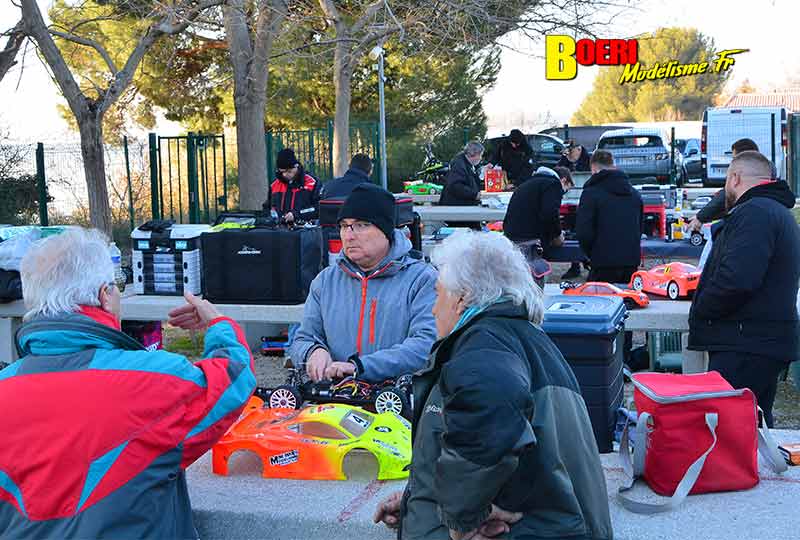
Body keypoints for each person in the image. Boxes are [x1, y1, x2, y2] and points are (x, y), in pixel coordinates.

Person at [0, 228, 255, 538]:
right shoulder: (155, 382)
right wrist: (218, 323)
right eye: (118, 286)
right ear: (104, 296)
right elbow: (234, 376)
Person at [373, 231, 613, 540]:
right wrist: (418, 498)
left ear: (463, 297)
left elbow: (490, 416)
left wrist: (461, 517)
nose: (433, 309)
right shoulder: (518, 340)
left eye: (438, 293)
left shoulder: (485, 343)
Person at [688, 151, 800, 427]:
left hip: (744, 344)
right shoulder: (774, 212)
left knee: (729, 430)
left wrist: (702, 308)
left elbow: (737, 280)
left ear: (735, 178)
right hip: (758, 340)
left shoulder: (754, 213)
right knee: (752, 427)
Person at [289, 183, 438, 383]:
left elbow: (426, 346)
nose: (349, 236)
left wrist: (360, 367)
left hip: (397, 402)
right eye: (344, 226)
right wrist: (312, 352)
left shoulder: (422, 280)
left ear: (386, 231)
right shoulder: (325, 281)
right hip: (332, 404)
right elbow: (302, 338)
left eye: (361, 225)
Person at [576, 149, 643, 283]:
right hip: (630, 261)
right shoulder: (634, 194)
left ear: (593, 168)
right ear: (613, 165)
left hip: (602, 262)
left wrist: (591, 254)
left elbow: (584, 232)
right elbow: (640, 227)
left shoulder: (590, 193)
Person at [688, 138, 760, 234]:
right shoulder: (763, 170)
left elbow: (726, 195)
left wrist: (701, 217)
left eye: (734, 158)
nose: (732, 162)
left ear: (743, 158)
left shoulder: (747, 173)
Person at [503, 165, 574, 251]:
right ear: (563, 180)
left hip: (512, 236)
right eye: (565, 190)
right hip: (529, 240)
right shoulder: (554, 184)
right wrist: (557, 235)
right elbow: (550, 214)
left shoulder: (529, 183)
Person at [557, 140, 591, 280]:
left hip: (587, 200)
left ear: (578, 149)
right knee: (571, 230)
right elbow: (558, 171)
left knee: (586, 231)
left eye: (572, 154)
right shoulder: (566, 159)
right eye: (568, 154)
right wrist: (566, 160)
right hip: (570, 200)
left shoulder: (589, 159)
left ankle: (589, 262)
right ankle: (575, 265)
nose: (570, 157)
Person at [265, 148, 321, 223]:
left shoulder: (312, 183)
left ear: (296, 166)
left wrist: (296, 214)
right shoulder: (274, 185)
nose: (285, 175)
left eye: (289, 171)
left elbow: (318, 208)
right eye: (282, 172)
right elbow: (268, 208)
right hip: (278, 230)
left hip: (303, 229)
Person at [439, 141, 485, 206]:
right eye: (480, 155)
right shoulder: (459, 165)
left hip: (458, 205)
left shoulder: (465, 163)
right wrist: (474, 195)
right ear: (473, 153)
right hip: (455, 206)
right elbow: (456, 186)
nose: (480, 158)